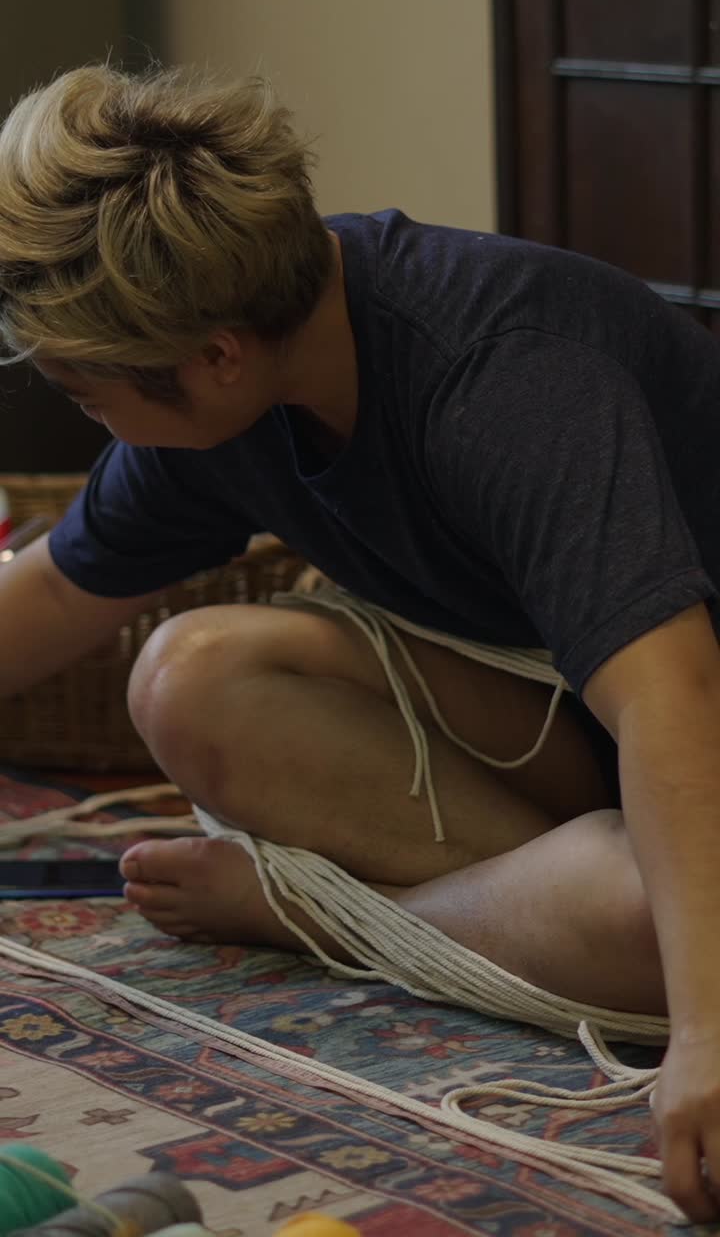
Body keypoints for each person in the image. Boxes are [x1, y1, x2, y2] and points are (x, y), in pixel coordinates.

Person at [1, 63, 719, 1222]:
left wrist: (710, 1031)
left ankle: (314, 908)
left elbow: (675, 690)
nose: (92, 421)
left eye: (88, 398)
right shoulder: (231, 367)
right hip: (560, 717)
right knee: (189, 674)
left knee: (671, 927)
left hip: (691, 720)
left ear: (216, 357)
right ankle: (518, 900)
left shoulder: (507, 376)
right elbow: (41, 598)